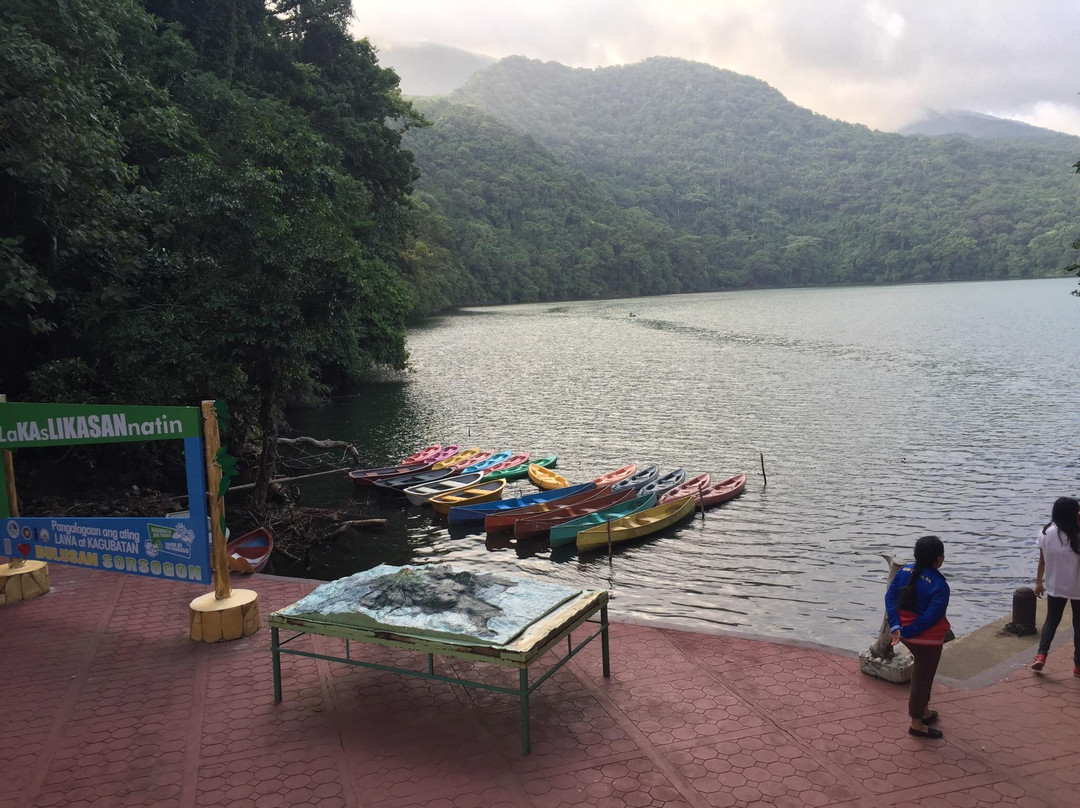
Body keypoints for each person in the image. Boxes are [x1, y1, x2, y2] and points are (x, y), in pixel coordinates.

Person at [885, 535, 950, 739]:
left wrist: (897, 626)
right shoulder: (940, 585)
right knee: (922, 678)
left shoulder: (904, 571)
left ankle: (924, 712)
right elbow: (932, 616)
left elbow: (890, 597)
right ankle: (916, 723)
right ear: (938, 559)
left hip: (902, 632)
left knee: (922, 674)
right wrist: (910, 631)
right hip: (926, 639)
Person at [1031, 496, 1080, 675]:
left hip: (1055, 585)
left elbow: (1042, 561)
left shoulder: (1046, 533)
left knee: (1051, 620)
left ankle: (1041, 655)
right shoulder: (1077, 535)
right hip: (1077, 588)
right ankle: (1077, 666)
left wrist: (1038, 583)